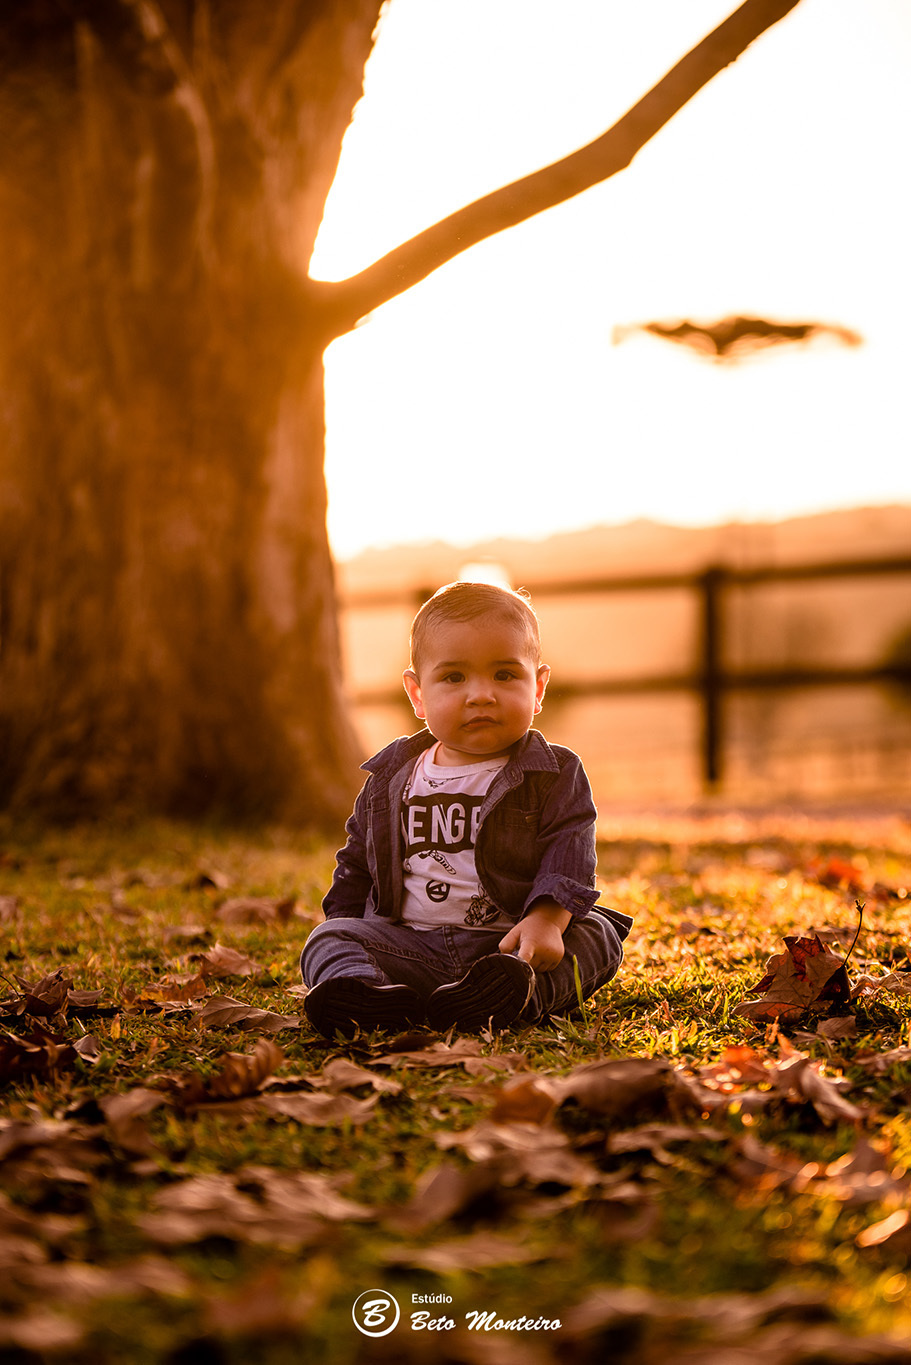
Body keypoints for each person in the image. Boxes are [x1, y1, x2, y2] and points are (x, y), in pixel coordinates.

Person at [301, 580, 632, 1038]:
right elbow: (357, 861)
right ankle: (365, 995)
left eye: (504, 675)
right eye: (454, 677)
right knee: (329, 937)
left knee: (599, 932)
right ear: (418, 694)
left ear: (538, 686)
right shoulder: (393, 775)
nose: (481, 695)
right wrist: (350, 924)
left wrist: (546, 920)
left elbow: (569, 848)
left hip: (512, 947)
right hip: (410, 945)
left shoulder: (555, 772)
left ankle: (508, 999)